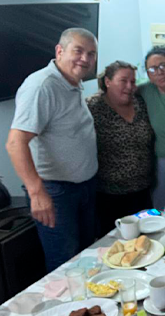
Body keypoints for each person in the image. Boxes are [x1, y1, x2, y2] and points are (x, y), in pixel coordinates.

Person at [6, 28, 98, 272]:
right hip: (56, 193)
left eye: (91, 54)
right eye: (78, 51)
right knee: (64, 265)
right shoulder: (42, 86)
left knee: (87, 257)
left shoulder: (72, 82)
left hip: (83, 187)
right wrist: (37, 192)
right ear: (59, 51)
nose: (85, 59)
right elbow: (15, 143)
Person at [86, 61, 154, 236]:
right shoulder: (93, 107)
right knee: (114, 240)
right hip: (109, 194)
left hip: (143, 190)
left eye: (132, 81)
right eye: (123, 81)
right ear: (108, 81)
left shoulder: (140, 103)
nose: (129, 87)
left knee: (145, 237)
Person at [138, 46, 165, 210]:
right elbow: (119, 90)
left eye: (163, 65)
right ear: (148, 74)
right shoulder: (145, 91)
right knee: (161, 207)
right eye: (153, 69)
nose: (159, 72)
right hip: (163, 160)